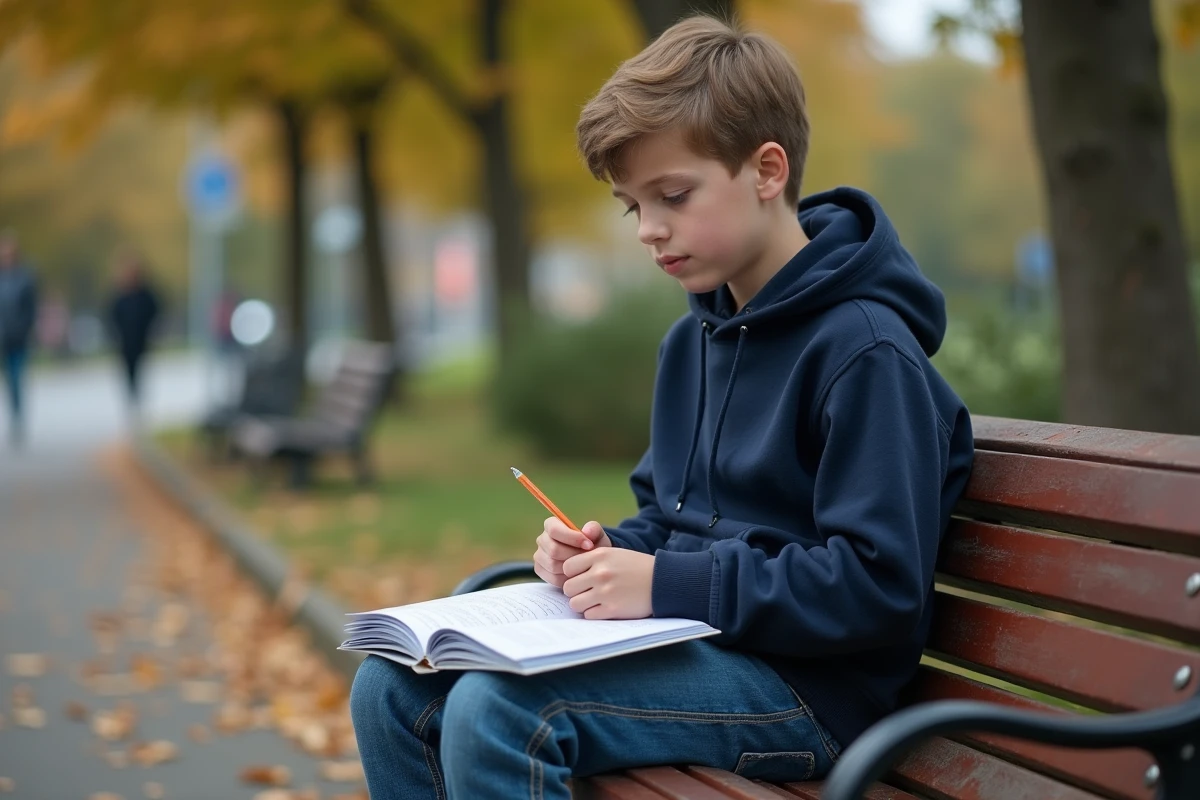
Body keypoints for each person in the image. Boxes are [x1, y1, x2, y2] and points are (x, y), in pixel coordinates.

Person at [349, 15, 975, 799]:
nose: (649, 230)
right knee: (390, 686)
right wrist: (602, 553)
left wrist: (666, 584)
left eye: (672, 196)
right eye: (630, 206)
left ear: (767, 170)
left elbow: (876, 590)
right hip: (706, 649)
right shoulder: (693, 342)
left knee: (503, 711)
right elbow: (669, 520)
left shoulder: (867, 351)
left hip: (811, 692)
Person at [107, 253, 161, 412]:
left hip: (142, 342)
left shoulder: (146, 295)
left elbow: (155, 312)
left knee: (141, 375)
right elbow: (112, 316)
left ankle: (138, 403)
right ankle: (131, 403)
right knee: (127, 375)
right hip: (125, 343)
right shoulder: (120, 296)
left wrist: (152, 331)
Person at [0, 233, 38, 446]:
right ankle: (14, 413)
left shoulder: (25, 278)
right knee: (9, 379)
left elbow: (31, 308)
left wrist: (26, 327)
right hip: (4, 336)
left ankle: (18, 416)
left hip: (20, 336)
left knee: (17, 376)